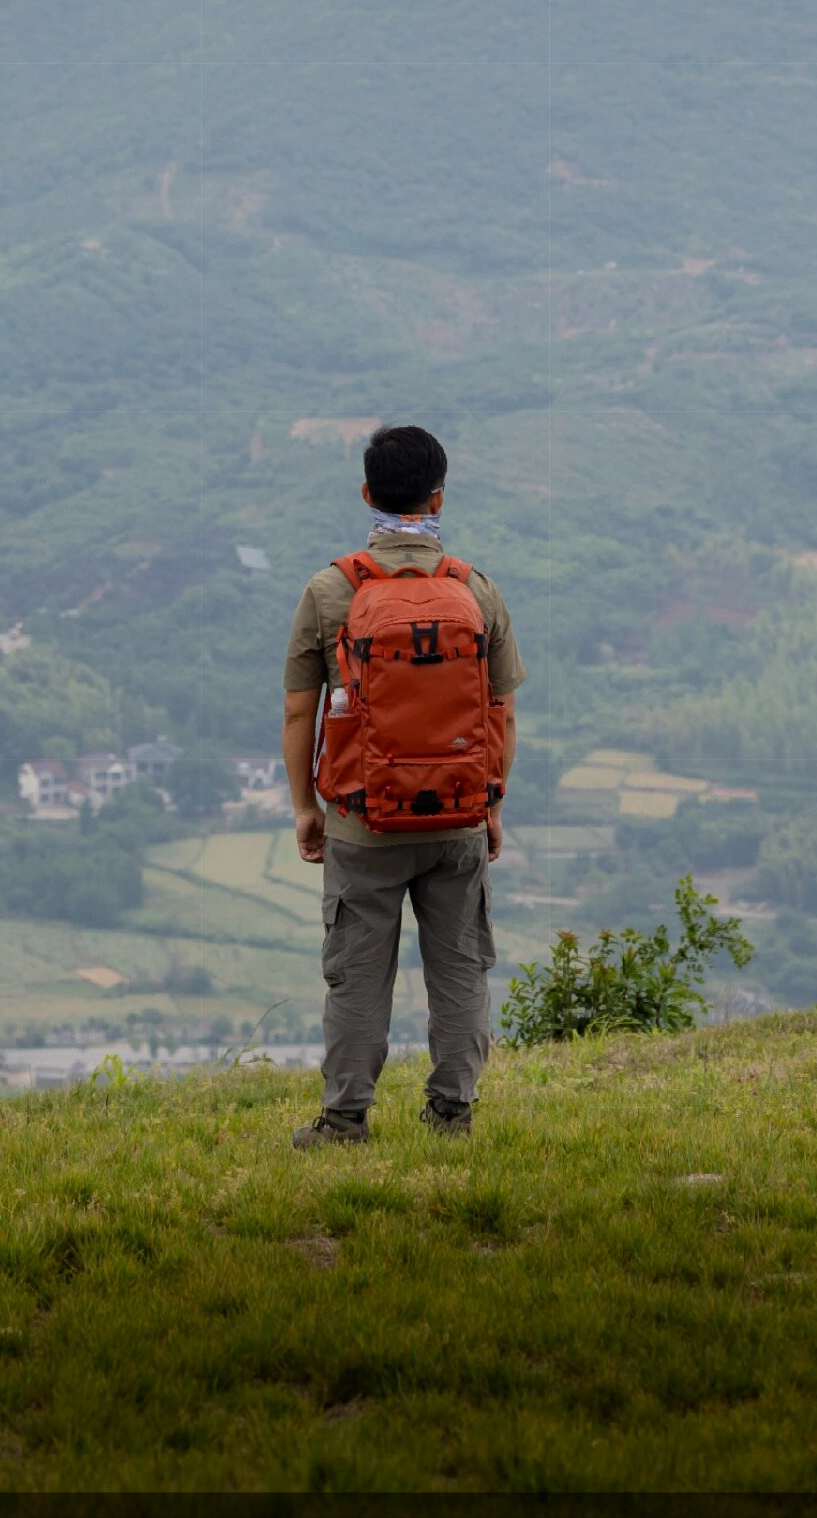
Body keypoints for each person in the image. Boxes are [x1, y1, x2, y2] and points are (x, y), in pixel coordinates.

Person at [281, 423, 523, 1146]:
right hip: (456, 820)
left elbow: (300, 708)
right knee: (459, 967)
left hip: (362, 820)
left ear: (366, 494)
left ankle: (345, 1119)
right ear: (439, 498)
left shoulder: (330, 591)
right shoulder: (476, 590)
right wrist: (493, 803)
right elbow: (501, 712)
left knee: (358, 973)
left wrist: (305, 808)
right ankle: (452, 1112)